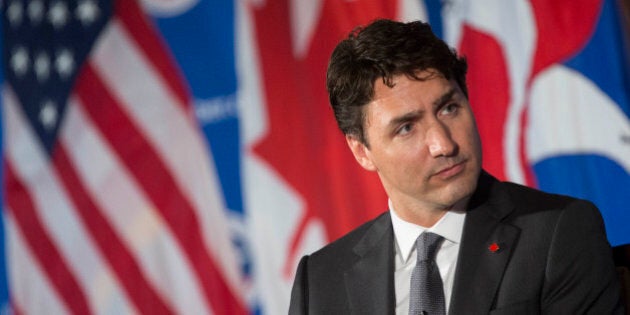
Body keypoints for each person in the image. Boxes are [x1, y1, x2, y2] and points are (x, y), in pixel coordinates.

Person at [288, 19, 622, 314]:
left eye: (448, 108)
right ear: (362, 151)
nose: (444, 144)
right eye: (407, 128)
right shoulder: (319, 281)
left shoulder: (557, 234)